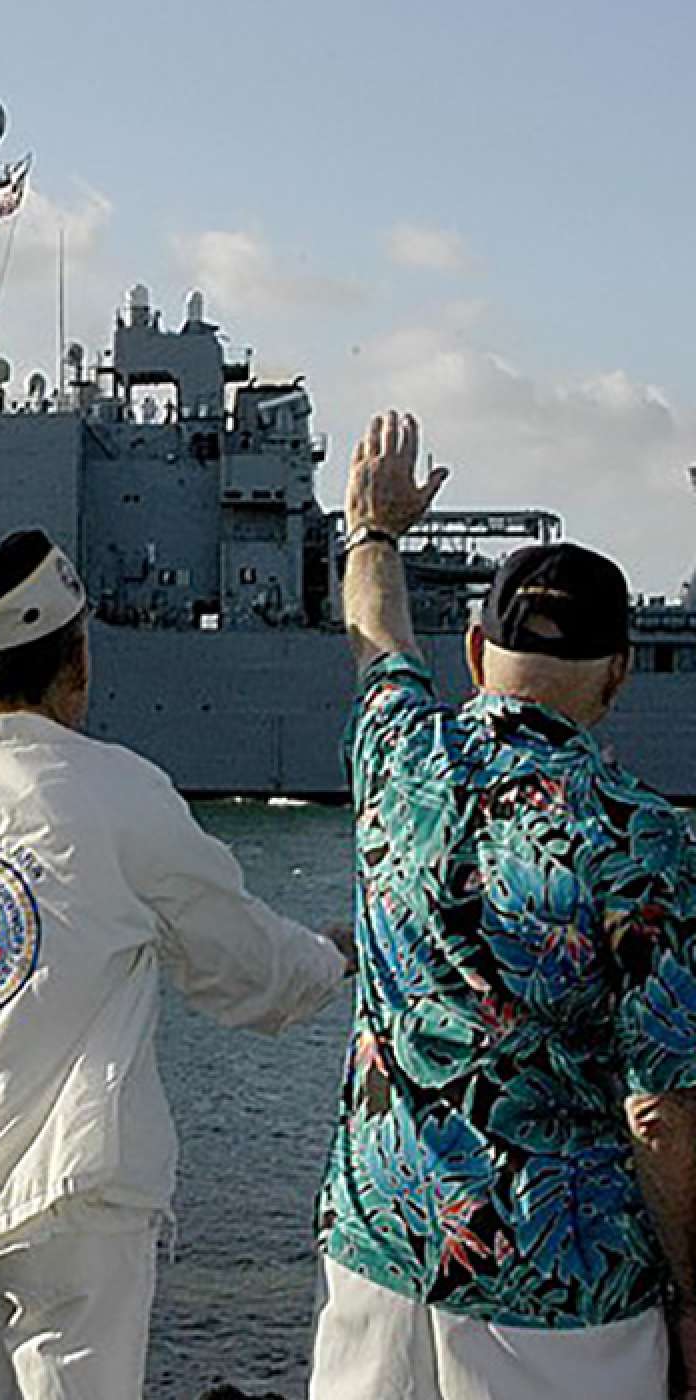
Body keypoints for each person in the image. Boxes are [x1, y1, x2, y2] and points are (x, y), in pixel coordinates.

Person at [0, 530, 350, 1400]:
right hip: (74, 1202)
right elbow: (239, 957)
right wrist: (327, 961)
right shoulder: (121, 792)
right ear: (77, 663)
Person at [309, 411, 696, 1399]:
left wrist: (374, 528)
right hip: (561, 1292)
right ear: (617, 674)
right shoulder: (648, 839)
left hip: (380, 1252)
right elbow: (662, 1115)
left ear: (477, 649)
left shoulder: (399, 759)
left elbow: (381, 642)